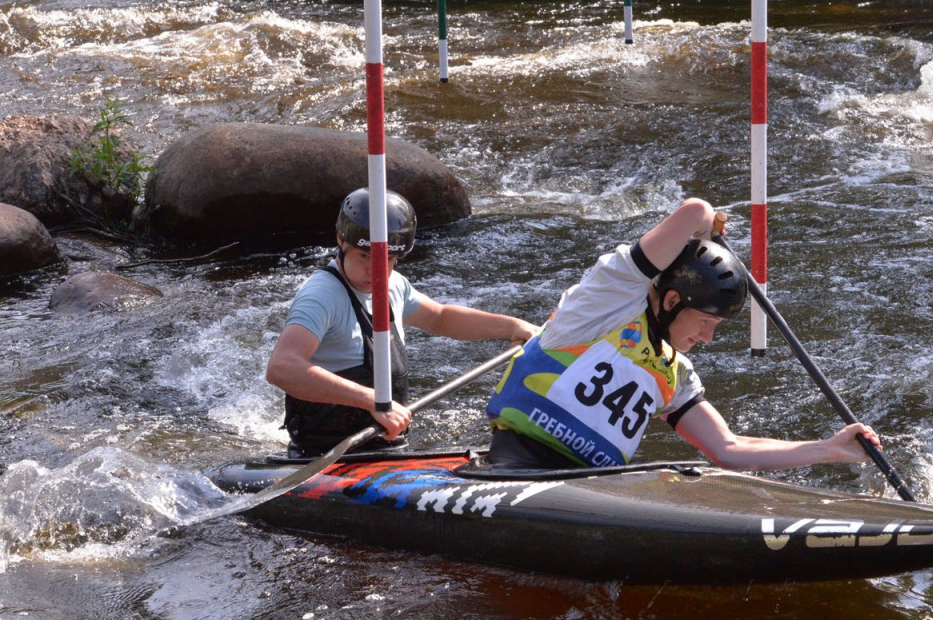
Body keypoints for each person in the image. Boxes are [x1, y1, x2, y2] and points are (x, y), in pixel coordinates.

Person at [484, 196, 881, 471]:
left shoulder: (675, 372)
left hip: (588, 485)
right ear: (673, 299)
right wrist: (706, 228)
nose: (708, 338)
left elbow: (729, 449)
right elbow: (694, 211)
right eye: (706, 321)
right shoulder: (605, 303)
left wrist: (829, 449)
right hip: (517, 465)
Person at [267, 188, 538, 457]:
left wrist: (512, 327)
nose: (375, 270)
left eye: (387, 259)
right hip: (324, 453)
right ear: (341, 240)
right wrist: (372, 400)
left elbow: (440, 318)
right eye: (365, 256)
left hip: (386, 447)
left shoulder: (395, 285)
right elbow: (282, 367)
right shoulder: (321, 296)